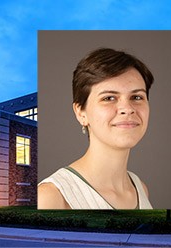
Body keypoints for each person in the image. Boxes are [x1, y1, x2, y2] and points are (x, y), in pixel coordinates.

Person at [37, 48, 154, 209]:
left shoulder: (141, 188)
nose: (127, 108)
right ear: (80, 112)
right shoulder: (51, 197)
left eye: (137, 97)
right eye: (109, 98)